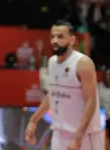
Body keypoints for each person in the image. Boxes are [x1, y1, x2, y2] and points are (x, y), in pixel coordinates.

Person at [25, 20, 102, 150]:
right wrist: (33, 120)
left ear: (72, 40)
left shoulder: (83, 63)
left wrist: (78, 137)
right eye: (52, 36)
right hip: (59, 132)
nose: (55, 40)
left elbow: (91, 102)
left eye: (60, 37)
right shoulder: (52, 62)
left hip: (84, 135)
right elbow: (52, 95)